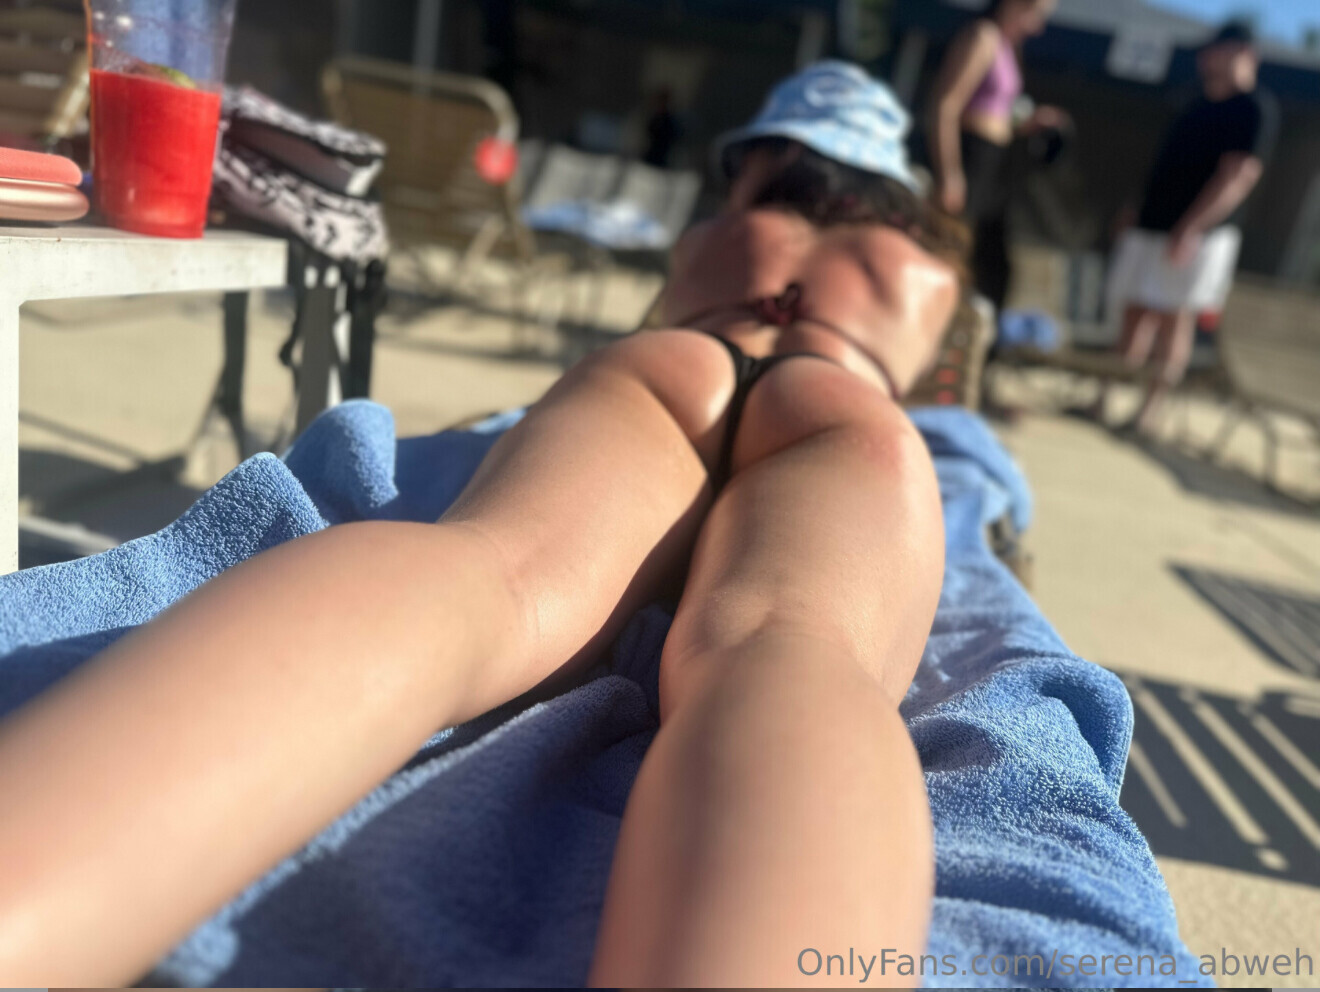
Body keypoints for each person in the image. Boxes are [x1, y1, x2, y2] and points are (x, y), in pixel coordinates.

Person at [0, 79, 963, 985]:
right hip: (842, 400)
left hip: (675, 367)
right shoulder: (927, 274)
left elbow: (681, 306)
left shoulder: (720, 232)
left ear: (769, 156)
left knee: (497, 570)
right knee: (792, 647)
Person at [1097, 20, 1277, 432]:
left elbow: (1238, 176)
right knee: (1134, 313)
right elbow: (1164, 169)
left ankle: (1149, 412)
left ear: (1243, 53)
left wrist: (1192, 227)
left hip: (1197, 236)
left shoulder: (1253, 108)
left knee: (1173, 318)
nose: (1207, 59)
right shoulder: (1193, 103)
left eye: (1218, 51)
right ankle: (1103, 397)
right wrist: (1136, 208)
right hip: (1151, 227)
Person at [926, 0, 1064, 310]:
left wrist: (1029, 122)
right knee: (951, 249)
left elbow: (996, 112)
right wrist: (949, 172)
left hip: (995, 161)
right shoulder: (982, 36)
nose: (1037, 28)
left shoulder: (1008, 47)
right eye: (1035, 15)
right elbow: (945, 106)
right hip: (969, 157)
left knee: (991, 264)